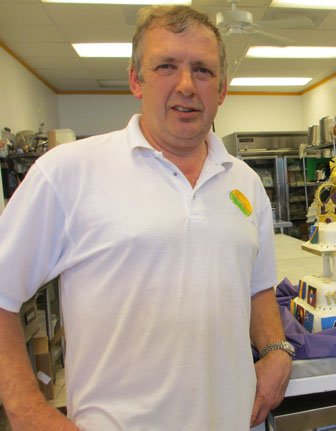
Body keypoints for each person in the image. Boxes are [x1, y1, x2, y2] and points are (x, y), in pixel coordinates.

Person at [0, 5, 292, 430]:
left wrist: (275, 350)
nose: (187, 86)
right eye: (167, 66)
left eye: (203, 71)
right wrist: (27, 412)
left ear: (223, 89)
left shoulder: (245, 183)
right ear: (137, 79)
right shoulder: (67, 172)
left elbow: (257, 285)